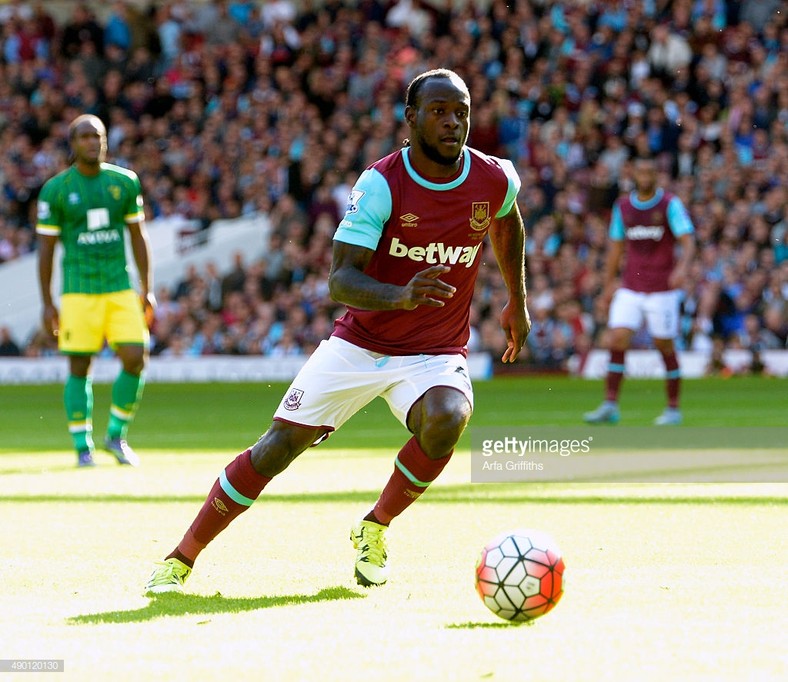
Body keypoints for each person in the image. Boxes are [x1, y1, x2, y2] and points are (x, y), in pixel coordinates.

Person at [145, 68, 530, 593]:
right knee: (275, 450)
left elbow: (508, 220)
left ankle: (375, 526)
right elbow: (340, 280)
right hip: (359, 345)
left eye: (461, 112)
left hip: (434, 352)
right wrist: (400, 295)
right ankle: (181, 558)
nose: (453, 122)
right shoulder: (381, 184)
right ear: (411, 118)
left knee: (449, 418)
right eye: (439, 111)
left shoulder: (494, 178)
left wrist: (517, 300)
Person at [37, 114, 155, 467]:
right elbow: (46, 249)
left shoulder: (125, 183)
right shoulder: (55, 190)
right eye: (85, 137)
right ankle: (81, 447)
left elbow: (138, 237)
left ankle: (116, 435)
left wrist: (146, 288)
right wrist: (47, 303)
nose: (93, 142)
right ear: (73, 144)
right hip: (78, 291)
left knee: (136, 356)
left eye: (98, 136)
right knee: (79, 364)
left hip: (119, 287)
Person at [584, 157, 695, 426]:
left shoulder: (669, 204)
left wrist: (682, 268)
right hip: (631, 287)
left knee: (664, 344)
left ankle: (673, 408)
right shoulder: (623, 207)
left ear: (656, 175)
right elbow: (615, 248)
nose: (644, 175)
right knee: (617, 338)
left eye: (649, 171)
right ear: (632, 174)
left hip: (662, 289)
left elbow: (688, 240)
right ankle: (610, 404)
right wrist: (608, 283)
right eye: (640, 171)